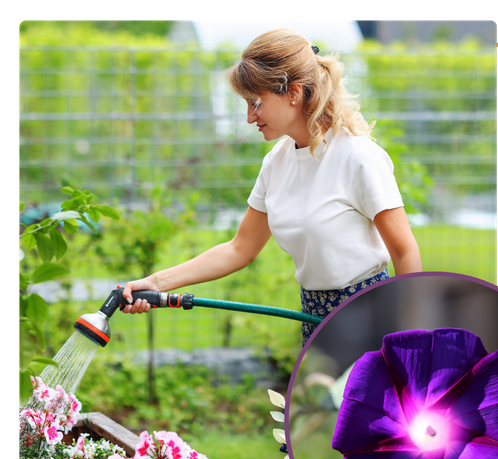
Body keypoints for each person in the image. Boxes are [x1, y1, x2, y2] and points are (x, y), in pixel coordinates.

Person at [122, 29, 423, 345]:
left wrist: (406, 337)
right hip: (314, 313)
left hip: (373, 316)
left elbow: (405, 252)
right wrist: (156, 283)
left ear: (292, 92)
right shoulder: (277, 162)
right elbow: (239, 248)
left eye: (256, 102)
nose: (250, 117)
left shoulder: (358, 157)